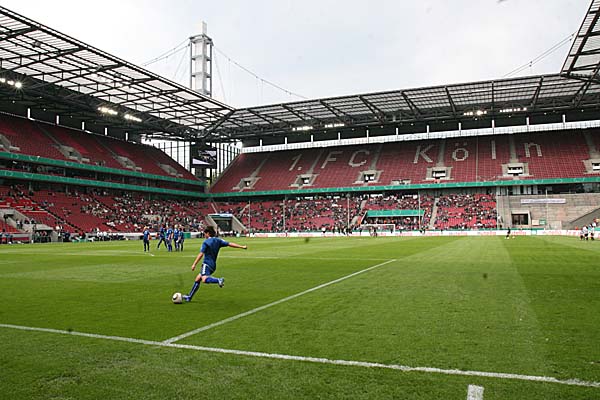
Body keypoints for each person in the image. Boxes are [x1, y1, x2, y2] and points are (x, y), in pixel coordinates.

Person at [182, 226, 247, 302]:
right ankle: (189, 297)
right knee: (198, 278)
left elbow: (201, 254)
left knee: (204, 279)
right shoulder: (218, 240)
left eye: (205, 234)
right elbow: (229, 244)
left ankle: (218, 280)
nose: (204, 235)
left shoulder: (206, 242)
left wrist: (194, 264)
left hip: (206, 264)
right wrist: (241, 246)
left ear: (208, 233)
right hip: (213, 265)